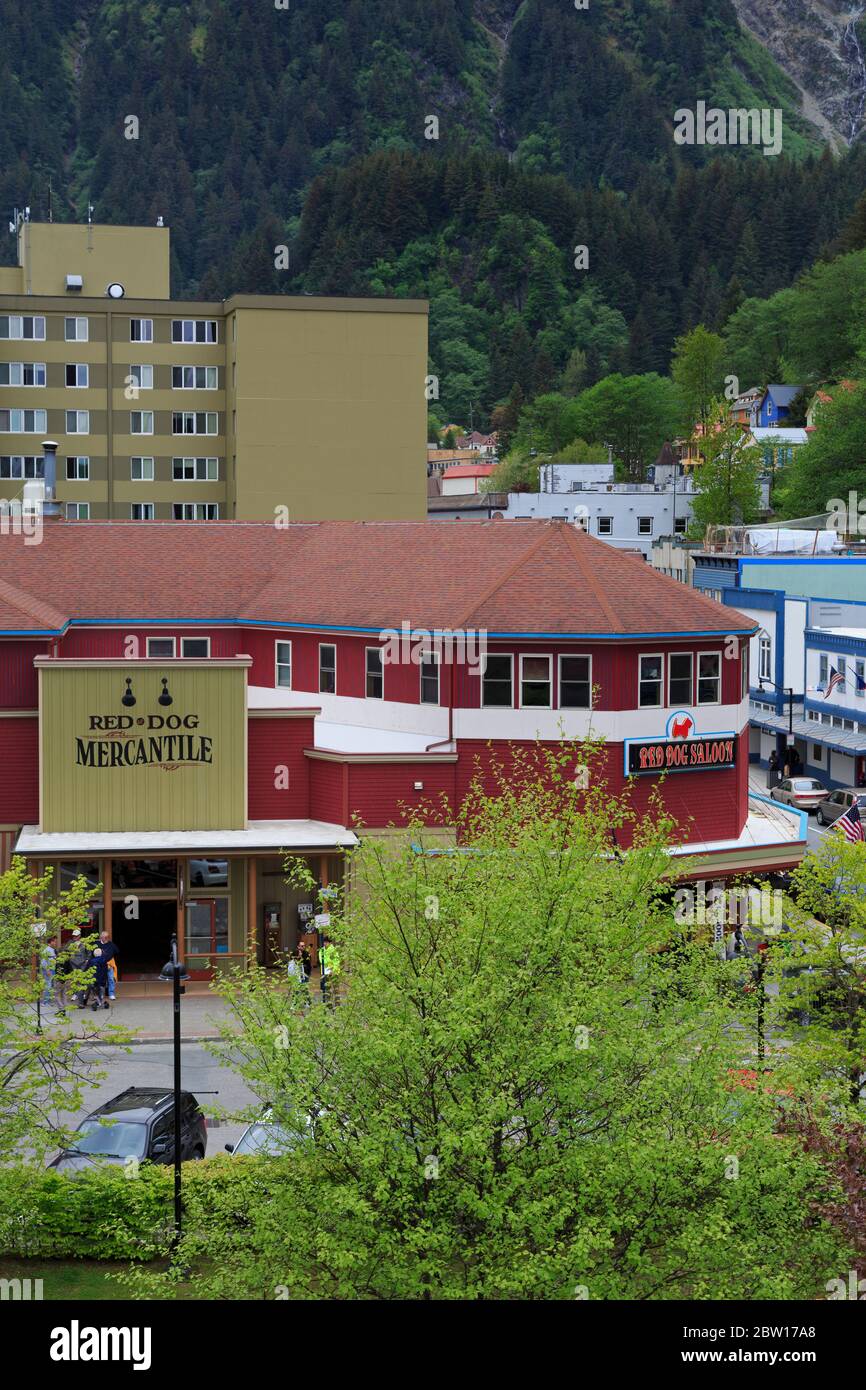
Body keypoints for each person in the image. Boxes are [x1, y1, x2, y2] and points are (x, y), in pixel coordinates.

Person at [96, 930, 119, 1004]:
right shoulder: (97, 944)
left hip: (109, 964)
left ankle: (111, 994)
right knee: (100, 980)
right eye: (105, 937)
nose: (106, 938)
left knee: (111, 979)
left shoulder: (111, 944)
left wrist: (111, 955)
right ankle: (100, 994)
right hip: (100, 964)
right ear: (101, 937)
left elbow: (117, 951)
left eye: (107, 937)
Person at [89, 944, 110, 1011]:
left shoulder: (91, 961)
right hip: (103, 979)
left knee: (95, 992)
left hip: (94, 979)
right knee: (102, 991)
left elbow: (88, 970)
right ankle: (102, 1001)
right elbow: (106, 970)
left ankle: (98, 1002)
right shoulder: (104, 961)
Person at [39, 937, 56, 1007]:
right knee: (48, 985)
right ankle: (45, 1002)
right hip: (48, 970)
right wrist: (47, 969)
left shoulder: (52, 950)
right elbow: (43, 961)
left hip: (52, 969)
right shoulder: (46, 950)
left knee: (51, 985)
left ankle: (49, 1001)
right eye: (54, 941)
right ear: (50, 942)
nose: (55, 943)